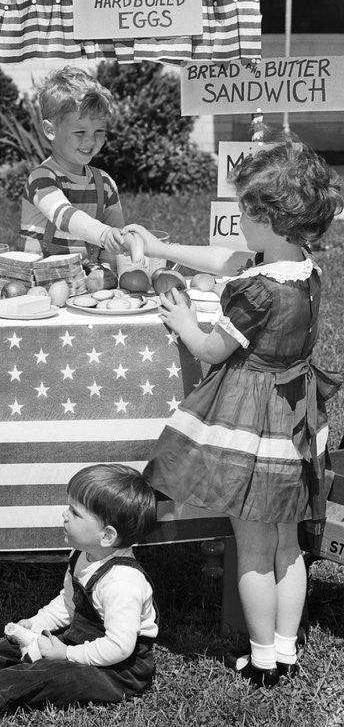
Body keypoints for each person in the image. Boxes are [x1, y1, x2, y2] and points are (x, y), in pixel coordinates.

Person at [124, 140, 344, 686]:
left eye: (243, 213)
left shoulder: (257, 293)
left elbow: (210, 349)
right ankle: (288, 652)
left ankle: (262, 659)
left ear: (267, 219)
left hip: (253, 422)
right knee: (288, 545)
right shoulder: (304, 270)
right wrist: (160, 246)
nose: (238, 222)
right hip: (294, 420)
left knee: (253, 547)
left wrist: (183, 319)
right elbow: (226, 261)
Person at [0, 464, 158, 714]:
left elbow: (119, 646)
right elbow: (68, 603)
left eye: (75, 512)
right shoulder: (83, 554)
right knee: (11, 645)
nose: (64, 514)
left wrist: (67, 654)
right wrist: (37, 624)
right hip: (81, 643)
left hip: (117, 669)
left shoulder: (122, 582)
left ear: (107, 536)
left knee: (50, 675)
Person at [19, 65, 125, 268]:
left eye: (99, 131)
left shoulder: (105, 184)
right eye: (80, 132)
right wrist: (104, 234)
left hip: (85, 283)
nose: (91, 140)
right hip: (39, 281)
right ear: (50, 130)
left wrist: (109, 271)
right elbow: (64, 215)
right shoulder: (41, 179)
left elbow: (114, 247)